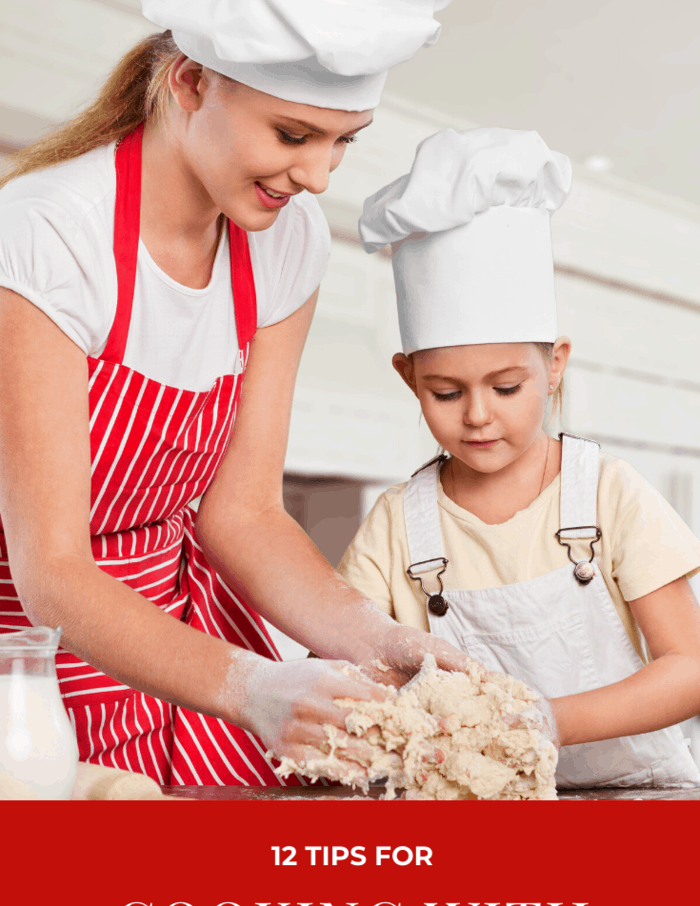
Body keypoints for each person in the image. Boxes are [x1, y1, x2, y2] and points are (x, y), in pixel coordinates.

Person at [0, 0, 469, 788]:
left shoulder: (290, 240)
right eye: (292, 135)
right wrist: (249, 687)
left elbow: (242, 511)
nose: (318, 176)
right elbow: (52, 569)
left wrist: (377, 637)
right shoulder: (48, 234)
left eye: (342, 142)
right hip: (35, 653)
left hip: (185, 623)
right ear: (188, 81)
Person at [338, 126, 700, 789]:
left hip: (641, 796)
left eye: (506, 388)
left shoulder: (608, 495)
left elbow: (690, 669)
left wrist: (545, 721)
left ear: (555, 366)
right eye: (445, 392)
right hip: (477, 799)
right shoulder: (397, 525)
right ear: (407, 377)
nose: (477, 414)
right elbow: (345, 666)